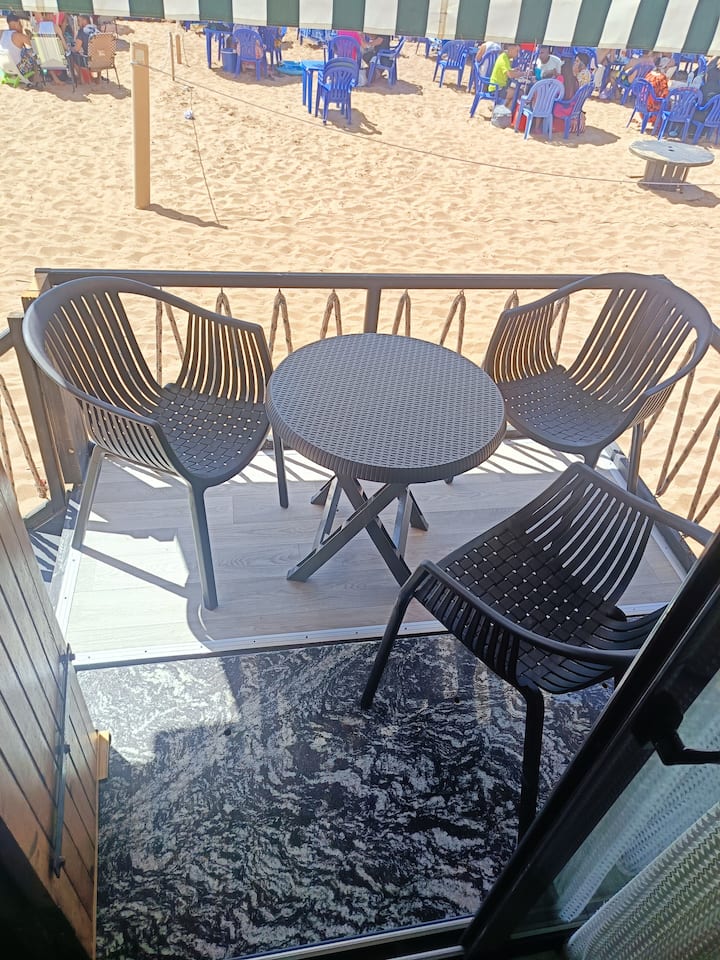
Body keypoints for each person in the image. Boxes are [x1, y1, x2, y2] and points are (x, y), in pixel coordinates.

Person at [1, 12, 37, 83]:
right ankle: (36, 78)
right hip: (18, 69)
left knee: (23, 51)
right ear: (18, 22)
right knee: (33, 55)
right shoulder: (20, 36)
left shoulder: (2, 33)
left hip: (4, 67)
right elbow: (33, 48)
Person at [73, 14, 100, 83]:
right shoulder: (97, 30)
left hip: (89, 62)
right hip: (101, 61)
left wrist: (71, 49)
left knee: (71, 55)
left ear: (84, 20)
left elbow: (77, 49)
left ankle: (81, 79)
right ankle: (98, 78)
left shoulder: (82, 31)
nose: (78, 24)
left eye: (79, 21)